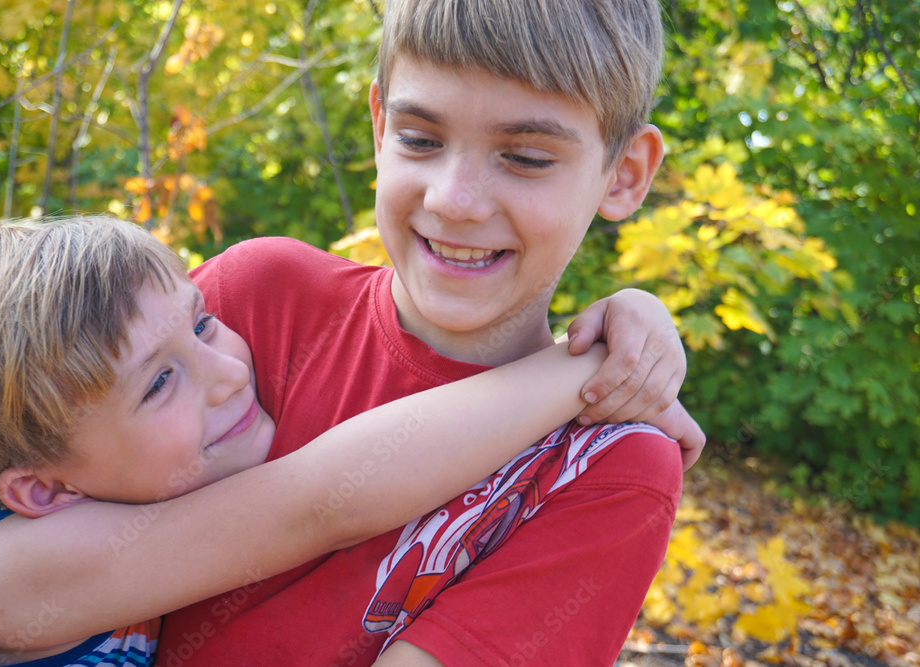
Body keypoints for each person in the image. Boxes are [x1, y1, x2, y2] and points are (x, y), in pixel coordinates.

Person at [152, 0, 697, 664]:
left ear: (626, 174)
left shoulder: (606, 464)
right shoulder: (246, 307)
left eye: (525, 157)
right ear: (380, 125)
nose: (452, 199)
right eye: (420, 139)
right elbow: (25, 475)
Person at [0, 216, 676, 667]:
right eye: (159, 383)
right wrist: (598, 369)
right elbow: (319, 501)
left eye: (204, 320)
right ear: (43, 489)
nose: (223, 372)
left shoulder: (26, 518)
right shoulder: (7, 573)